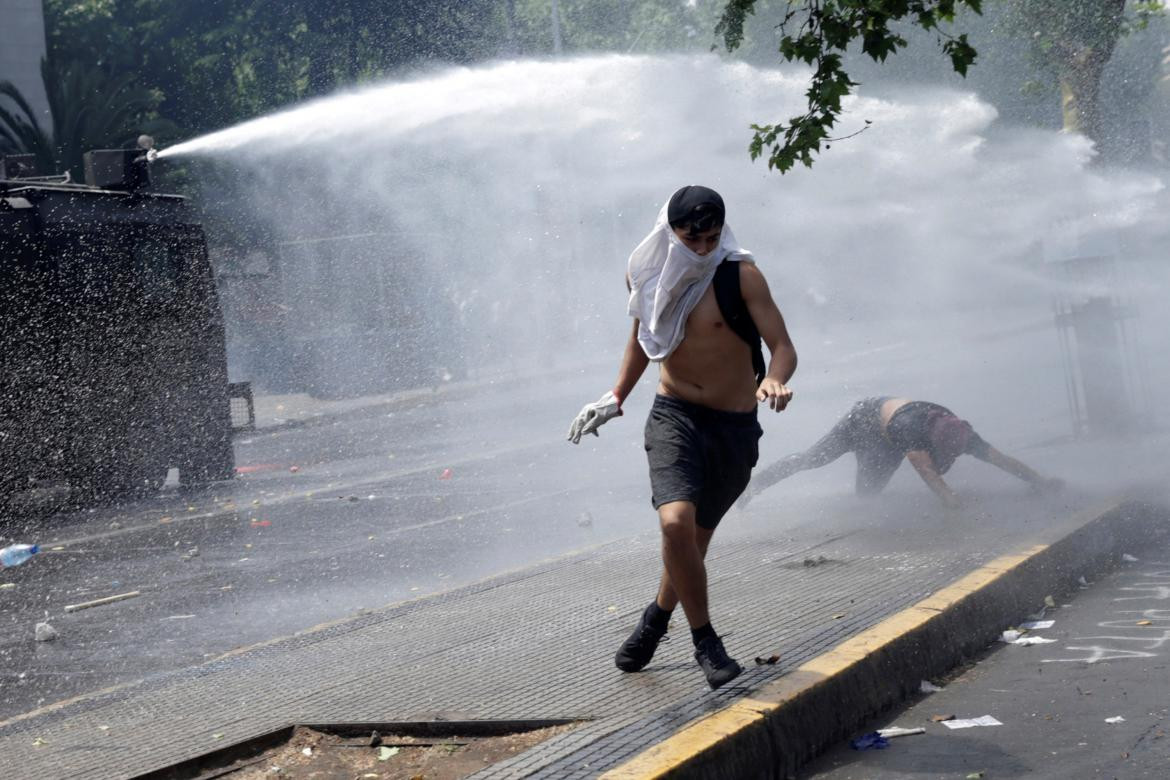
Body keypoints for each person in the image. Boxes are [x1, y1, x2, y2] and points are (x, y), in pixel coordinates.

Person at [567, 185, 797, 689]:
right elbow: (641, 338)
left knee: (694, 539)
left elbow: (781, 345)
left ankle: (655, 620)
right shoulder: (646, 270)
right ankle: (706, 643)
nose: (701, 250)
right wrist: (615, 396)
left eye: (711, 239)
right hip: (674, 414)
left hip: (734, 427)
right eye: (692, 240)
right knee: (675, 523)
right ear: (670, 231)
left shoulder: (741, 275)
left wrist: (774, 378)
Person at [741, 397, 1063, 509]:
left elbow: (1001, 459)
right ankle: (754, 486)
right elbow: (928, 474)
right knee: (815, 458)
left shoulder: (961, 432)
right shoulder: (914, 431)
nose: (951, 459)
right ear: (933, 443)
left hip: (887, 437)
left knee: (867, 494)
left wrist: (1040, 481)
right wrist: (951, 501)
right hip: (862, 421)